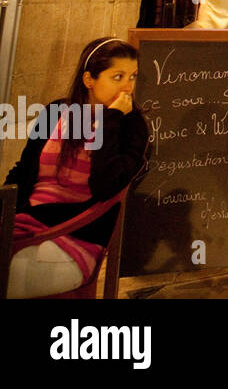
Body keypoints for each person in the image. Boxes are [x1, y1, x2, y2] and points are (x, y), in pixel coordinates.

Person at [5, 38, 149, 298]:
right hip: (25, 223)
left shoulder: (131, 127)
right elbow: (23, 170)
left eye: (133, 76)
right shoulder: (57, 111)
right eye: (118, 76)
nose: (128, 86)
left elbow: (107, 185)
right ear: (89, 80)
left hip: (76, 237)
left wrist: (111, 119)